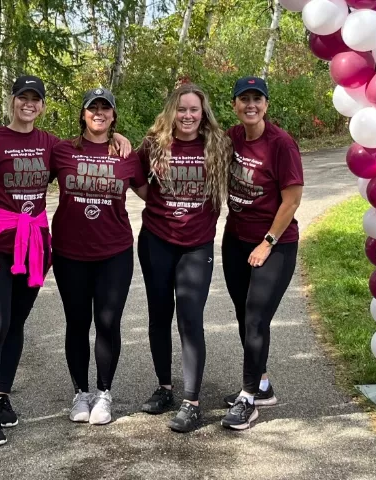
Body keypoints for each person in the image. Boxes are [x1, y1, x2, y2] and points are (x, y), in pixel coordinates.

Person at [0, 75, 57, 446]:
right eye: (23, 97)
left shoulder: (49, 143)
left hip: (34, 246)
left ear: (43, 106)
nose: (28, 104)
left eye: (35, 99)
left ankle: (3, 396)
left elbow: (85, 151)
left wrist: (116, 137)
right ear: (12, 100)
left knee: (16, 322)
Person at [137, 83, 232, 433]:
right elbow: (137, 179)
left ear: (203, 112)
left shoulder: (219, 144)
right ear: (172, 112)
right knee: (159, 316)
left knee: (190, 319)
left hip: (196, 245)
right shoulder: (153, 144)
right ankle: (165, 388)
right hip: (156, 240)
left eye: (194, 109)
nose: (187, 115)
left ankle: (192, 403)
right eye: (181, 109)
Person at [50, 88, 148, 426]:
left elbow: (150, 194)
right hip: (69, 252)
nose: (99, 112)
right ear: (83, 114)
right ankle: (81, 393)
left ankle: (104, 393)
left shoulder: (126, 155)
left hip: (114, 252)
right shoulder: (62, 150)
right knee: (77, 323)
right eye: (93, 107)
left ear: (113, 115)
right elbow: (28, 181)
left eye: (106, 108)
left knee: (108, 323)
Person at [219, 76, 304, 430]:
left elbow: (292, 200)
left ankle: (248, 398)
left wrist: (267, 243)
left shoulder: (281, 144)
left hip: (275, 244)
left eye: (257, 99)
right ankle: (263, 385)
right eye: (244, 99)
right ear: (235, 105)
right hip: (235, 240)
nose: (250, 105)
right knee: (244, 315)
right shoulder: (231, 137)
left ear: (266, 105)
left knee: (256, 318)